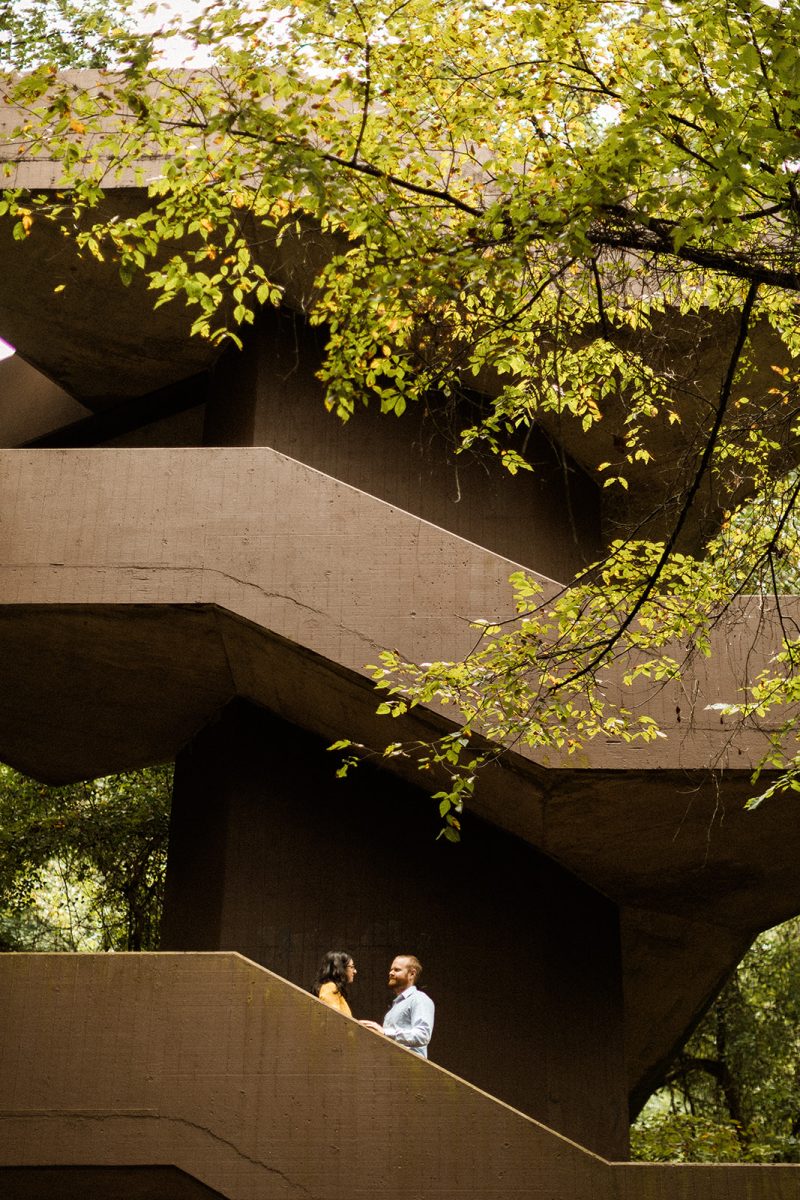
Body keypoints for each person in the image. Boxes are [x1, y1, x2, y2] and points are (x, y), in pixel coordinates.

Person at [360, 954, 434, 1057]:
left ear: (412, 974)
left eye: (397, 970)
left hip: (410, 1069)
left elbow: (423, 1036)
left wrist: (385, 1032)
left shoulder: (419, 999)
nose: (391, 973)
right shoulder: (395, 1007)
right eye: (391, 970)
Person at [312, 950, 357, 1017]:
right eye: (351, 967)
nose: (355, 971)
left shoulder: (334, 989)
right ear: (340, 968)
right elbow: (335, 1020)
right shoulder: (330, 987)